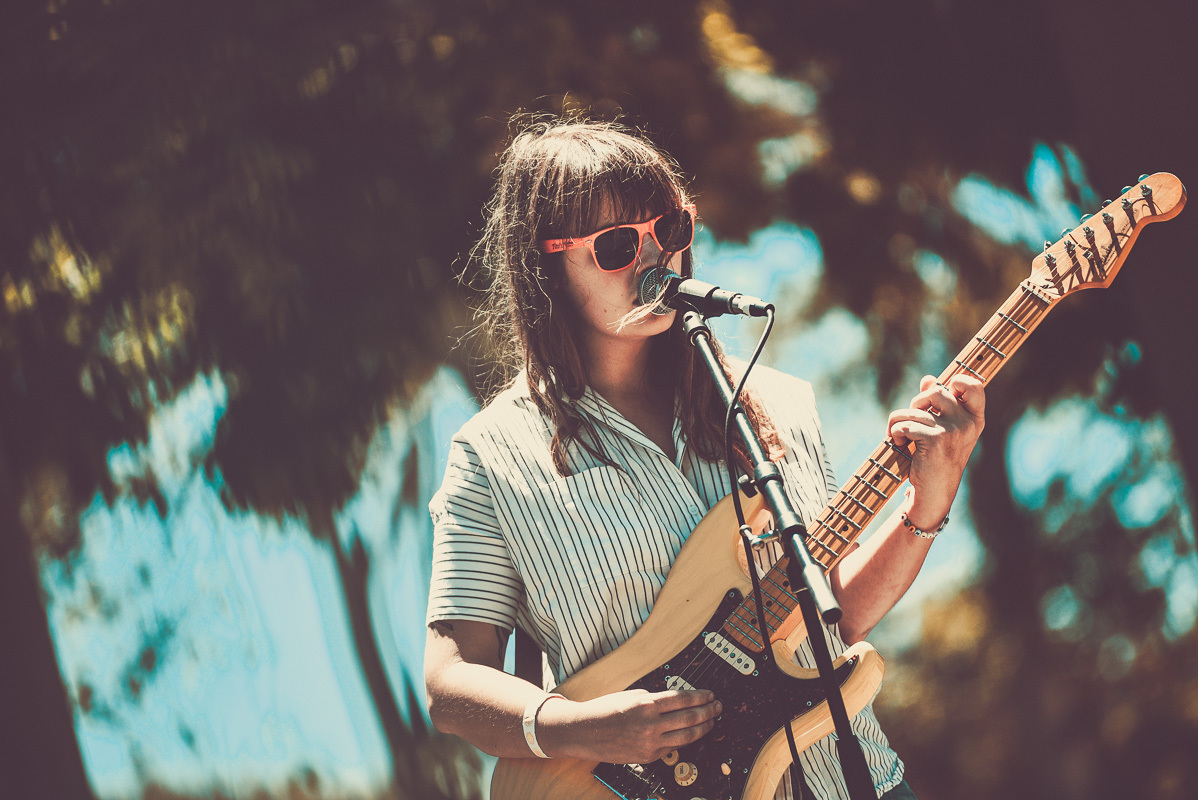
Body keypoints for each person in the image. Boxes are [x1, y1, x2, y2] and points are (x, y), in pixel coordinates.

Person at [423, 117, 985, 800]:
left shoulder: (778, 405)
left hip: (853, 779)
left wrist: (928, 502)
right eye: (618, 246)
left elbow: (826, 613)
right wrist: (579, 728)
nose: (656, 258)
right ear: (548, 263)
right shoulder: (491, 457)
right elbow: (452, 684)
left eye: (670, 229)